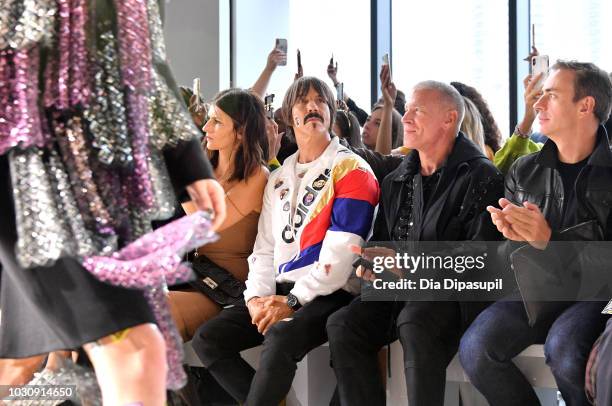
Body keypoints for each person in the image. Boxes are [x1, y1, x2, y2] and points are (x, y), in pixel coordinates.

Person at [0, 1, 226, 405]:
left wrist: (189, 159)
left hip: (93, 186)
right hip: (34, 170)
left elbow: (143, 55)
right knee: (132, 353)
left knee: (23, 363)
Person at [190, 76, 380, 406]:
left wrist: (291, 302)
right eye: (302, 101)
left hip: (330, 294)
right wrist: (255, 300)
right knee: (210, 338)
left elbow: (342, 257)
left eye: (320, 101)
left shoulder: (352, 169)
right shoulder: (278, 177)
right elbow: (264, 249)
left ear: (331, 113)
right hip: (279, 290)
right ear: (288, 116)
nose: (312, 106)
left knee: (280, 337)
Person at [326, 75, 504, 406]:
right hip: (399, 291)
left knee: (416, 319)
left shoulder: (482, 176)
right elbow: (381, 244)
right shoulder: (398, 177)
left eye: (417, 111)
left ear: (450, 118)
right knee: (343, 324)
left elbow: (479, 259)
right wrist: (370, 264)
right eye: (407, 110)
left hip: (452, 298)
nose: (405, 118)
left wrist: (411, 267)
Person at [459, 61, 612, 406]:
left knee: (565, 350)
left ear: (586, 105)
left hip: (596, 297)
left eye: (552, 96)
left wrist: (550, 241)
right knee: (476, 347)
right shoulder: (524, 171)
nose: (538, 104)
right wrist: (512, 240)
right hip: (538, 291)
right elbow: (505, 262)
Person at [168, 89, 269, 341]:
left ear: (241, 131)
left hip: (226, 287)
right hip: (194, 277)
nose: (205, 127)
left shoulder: (257, 175)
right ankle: (59, 374)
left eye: (216, 121)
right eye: (208, 119)